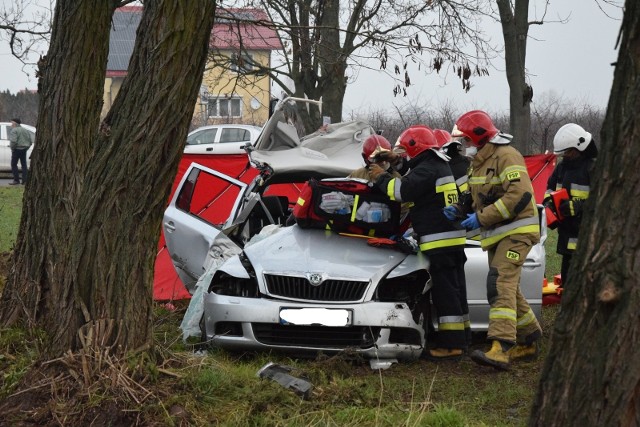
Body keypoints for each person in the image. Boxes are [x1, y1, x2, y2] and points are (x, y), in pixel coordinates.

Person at [446, 110, 542, 370]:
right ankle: (530, 338)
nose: (463, 146)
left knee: (499, 283)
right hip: (499, 233)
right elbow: (476, 194)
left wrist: (481, 218)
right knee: (507, 285)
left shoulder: (507, 156)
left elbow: (519, 195)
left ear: (479, 137)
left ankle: (501, 346)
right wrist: (461, 208)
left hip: (517, 232)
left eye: (466, 140)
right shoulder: (480, 160)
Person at [369, 125, 469, 359]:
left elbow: (401, 190)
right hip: (451, 238)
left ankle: (452, 346)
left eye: (405, 150)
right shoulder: (435, 164)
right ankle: (462, 338)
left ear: (416, 148)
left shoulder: (427, 169)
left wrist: (381, 176)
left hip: (439, 239)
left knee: (445, 292)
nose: (405, 154)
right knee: (456, 289)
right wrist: (396, 161)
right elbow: (413, 176)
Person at [545, 123, 597, 289]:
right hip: (566, 229)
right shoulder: (561, 168)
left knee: (586, 272)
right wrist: (548, 204)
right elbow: (550, 188)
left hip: (586, 232)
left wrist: (578, 206)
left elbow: (603, 200)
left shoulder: (594, 168)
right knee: (568, 270)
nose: (564, 156)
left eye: (567, 152)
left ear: (578, 148)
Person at [9, 118, 33, 185]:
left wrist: (12, 148)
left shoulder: (14, 130)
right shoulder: (25, 130)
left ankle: (16, 180)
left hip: (17, 149)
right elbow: (30, 141)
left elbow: (13, 141)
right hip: (24, 149)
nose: (11, 124)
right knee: (24, 165)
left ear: (15, 123)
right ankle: (24, 181)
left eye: (12, 123)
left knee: (14, 164)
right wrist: (26, 148)